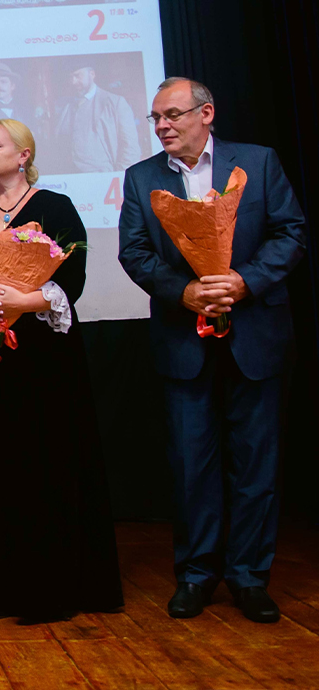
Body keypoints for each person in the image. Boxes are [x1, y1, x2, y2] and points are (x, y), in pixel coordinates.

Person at [118, 77, 306, 623]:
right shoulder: (141, 177)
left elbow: (291, 233)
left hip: (256, 336)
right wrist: (184, 292)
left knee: (256, 466)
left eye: (173, 115)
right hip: (184, 340)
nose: (162, 126)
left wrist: (245, 282)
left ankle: (249, 578)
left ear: (207, 114)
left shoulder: (259, 162)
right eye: (156, 118)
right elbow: (134, 252)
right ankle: (196, 576)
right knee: (190, 466)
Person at [0, 118, 122, 622]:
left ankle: (52, 585)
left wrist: (23, 301)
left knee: (47, 458)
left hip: (44, 359)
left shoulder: (55, 207)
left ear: (23, 155)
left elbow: (72, 277)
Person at [54, 66, 141, 173]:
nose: (73, 82)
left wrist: (118, 177)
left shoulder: (115, 103)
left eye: (77, 76)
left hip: (104, 178)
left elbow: (131, 149)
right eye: (70, 77)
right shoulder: (65, 106)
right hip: (69, 178)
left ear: (92, 74)